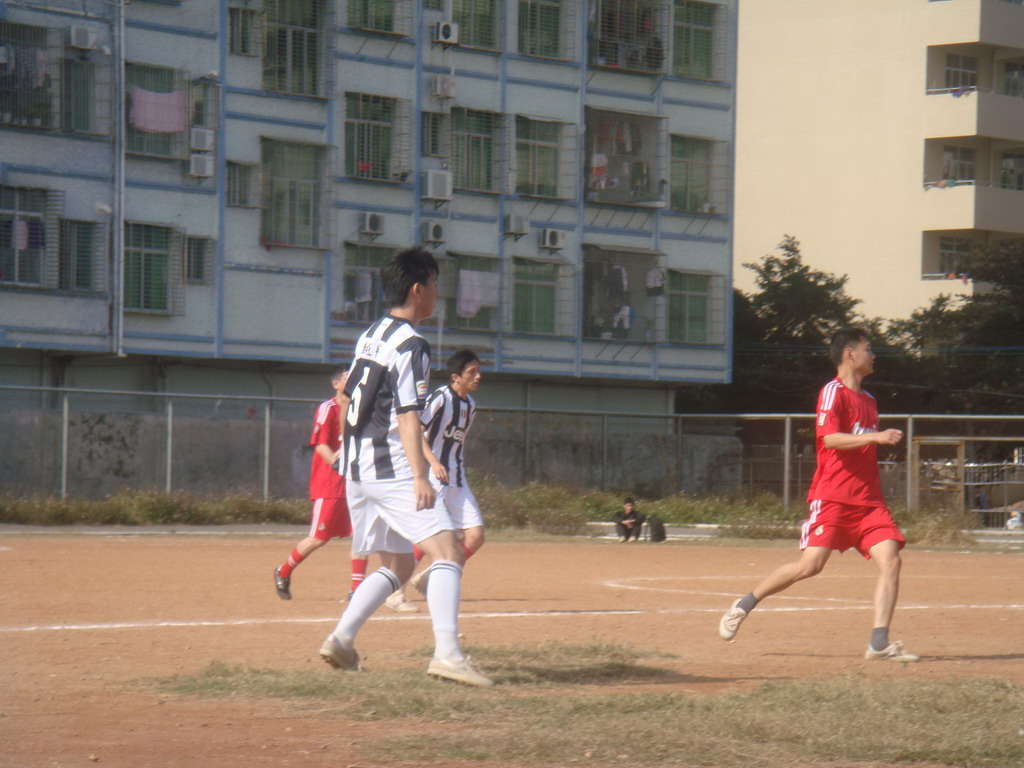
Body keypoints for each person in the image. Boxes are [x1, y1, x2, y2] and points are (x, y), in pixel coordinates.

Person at [318, 246, 493, 687]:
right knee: (448, 552)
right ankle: (448, 655)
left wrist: (353, 451)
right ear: (417, 289)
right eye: (434, 285)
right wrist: (419, 475)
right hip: (390, 467)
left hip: (357, 469)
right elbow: (408, 413)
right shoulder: (413, 344)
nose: (437, 294)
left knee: (397, 566)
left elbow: (349, 399)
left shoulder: (371, 334)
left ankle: (342, 640)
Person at [718, 328, 920, 663]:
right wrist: (875, 437)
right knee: (809, 567)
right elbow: (830, 439)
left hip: (869, 502)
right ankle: (745, 603)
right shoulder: (832, 392)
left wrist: (874, 438)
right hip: (833, 498)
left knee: (891, 560)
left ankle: (878, 642)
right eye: (868, 349)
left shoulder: (869, 400)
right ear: (849, 354)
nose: (873, 355)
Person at [274, 366, 368, 601]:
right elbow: (320, 444)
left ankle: (356, 590)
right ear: (336, 384)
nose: (353, 380)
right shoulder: (328, 408)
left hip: (357, 482)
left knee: (362, 535)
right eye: (347, 377)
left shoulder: (360, 408)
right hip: (330, 485)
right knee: (319, 537)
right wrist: (337, 463)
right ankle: (283, 571)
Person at [406, 349, 486, 598]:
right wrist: (433, 462)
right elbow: (415, 431)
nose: (478, 376)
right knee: (429, 534)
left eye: (478, 371)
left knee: (476, 536)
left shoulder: (471, 406)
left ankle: (429, 578)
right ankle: (396, 589)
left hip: (457, 478)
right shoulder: (441, 397)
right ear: (455, 377)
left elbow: (457, 444)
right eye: (471, 372)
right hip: (433, 476)